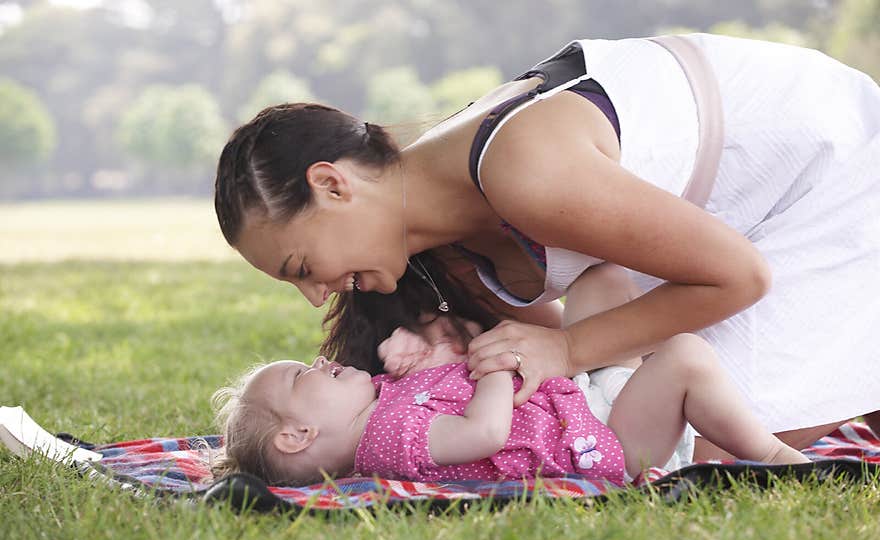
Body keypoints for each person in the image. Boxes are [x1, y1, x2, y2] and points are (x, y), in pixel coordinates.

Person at [213, 32, 880, 457]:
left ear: (332, 185)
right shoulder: (447, 256)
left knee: (716, 457)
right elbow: (567, 382)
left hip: (833, 167)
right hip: (730, 222)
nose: (313, 294)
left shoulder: (522, 171)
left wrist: (564, 346)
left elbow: (739, 278)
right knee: (687, 411)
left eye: (301, 267)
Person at [210, 327, 808, 487]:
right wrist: (494, 364)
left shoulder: (384, 405)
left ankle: (749, 430)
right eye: (299, 376)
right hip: (603, 444)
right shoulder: (384, 440)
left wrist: (426, 352)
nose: (317, 362)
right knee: (683, 356)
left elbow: (443, 386)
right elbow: (486, 433)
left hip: (581, 407)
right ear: (299, 434)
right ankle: (778, 457)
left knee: (606, 291)